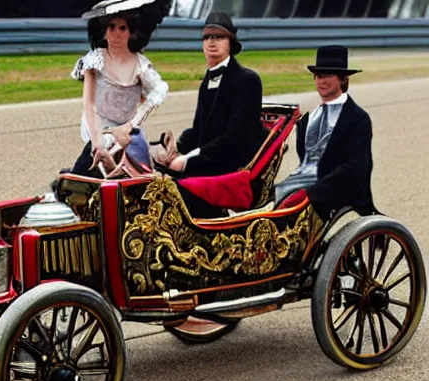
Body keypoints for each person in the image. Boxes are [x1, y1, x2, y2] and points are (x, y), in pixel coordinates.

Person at [160, 12, 268, 217]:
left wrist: (187, 160)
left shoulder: (247, 80)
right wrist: (177, 148)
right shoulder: (206, 81)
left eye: (219, 37)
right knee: (156, 173)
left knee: (177, 180)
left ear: (231, 43)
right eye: (208, 37)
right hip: (211, 157)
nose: (212, 42)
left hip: (232, 161)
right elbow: (199, 130)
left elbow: (236, 138)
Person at [68, 2, 170, 177]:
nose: (116, 34)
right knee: (85, 173)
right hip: (98, 129)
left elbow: (159, 90)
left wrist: (130, 126)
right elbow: (89, 106)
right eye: (111, 27)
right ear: (104, 30)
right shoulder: (94, 61)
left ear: (131, 32)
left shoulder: (141, 65)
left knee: (141, 179)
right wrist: (97, 143)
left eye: (122, 28)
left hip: (129, 132)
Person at [275, 45, 376, 220]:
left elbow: (357, 167)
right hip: (300, 184)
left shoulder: (358, 119)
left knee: (289, 204)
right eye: (319, 76)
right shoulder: (308, 119)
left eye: (328, 75)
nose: (322, 81)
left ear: (343, 79)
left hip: (339, 190)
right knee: (270, 201)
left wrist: (314, 190)